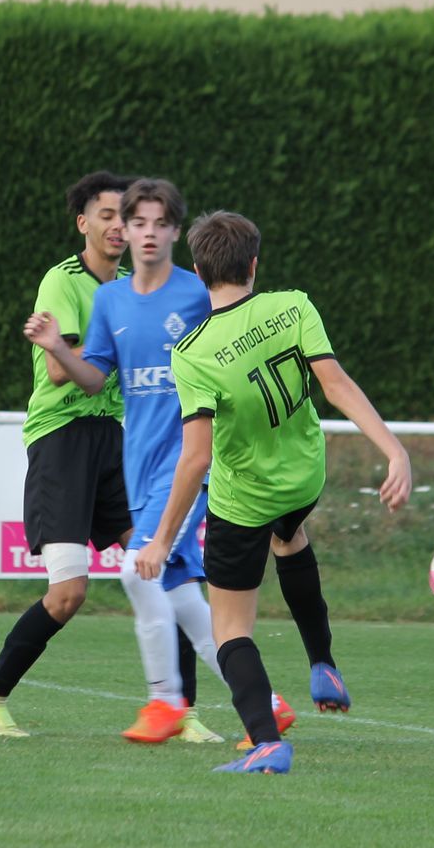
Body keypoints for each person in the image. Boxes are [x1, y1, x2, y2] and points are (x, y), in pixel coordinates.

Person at [136, 211, 411, 774]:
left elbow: (197, 458)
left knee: (229, 629)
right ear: (254, 265)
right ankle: (322, 662)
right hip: (306, 477)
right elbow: (336, 385)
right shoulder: (294, 305)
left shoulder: (192, 352)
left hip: (245, 501)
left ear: (198, 272)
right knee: (289, 537)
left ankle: (265, 741)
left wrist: (161, 539)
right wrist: (394, 451)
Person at [25, 178, 275, 745]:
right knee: (181, 594)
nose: (146, 233)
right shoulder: (111, 300)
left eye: (161, 224)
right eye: (137, 222)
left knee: (138, 570)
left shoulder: (197, 294)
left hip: (191, 462)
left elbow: (242, 348)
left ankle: (166, 701)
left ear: (176, 233)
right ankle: (268, 706)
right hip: (139, 465)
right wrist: (57, 348)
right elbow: (94, 380)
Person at [0, 171, 134, 737]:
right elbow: (63, 371)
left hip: (113, 438)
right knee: (67, 595)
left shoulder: (134, 284)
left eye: (126, 216)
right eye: (106, 215)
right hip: (62, 439)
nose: (118, 226)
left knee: (163, 572)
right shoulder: (62, 281)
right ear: (84, 223)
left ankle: (179, 711)